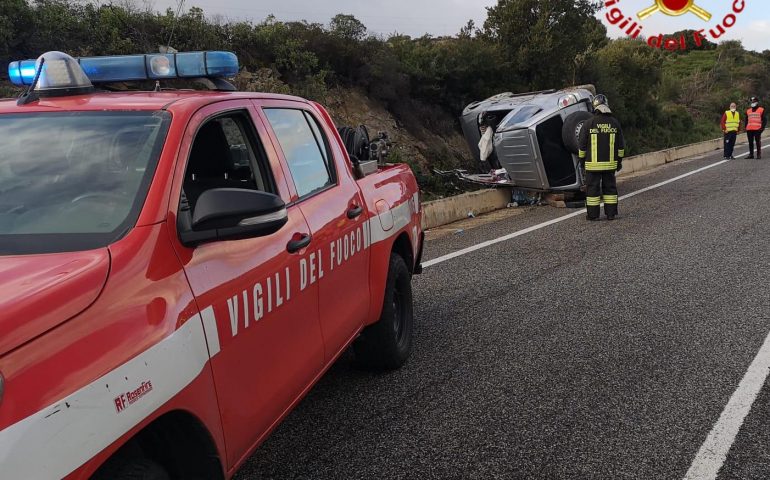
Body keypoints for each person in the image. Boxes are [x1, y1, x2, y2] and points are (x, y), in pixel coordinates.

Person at [578, 94, 626, 221]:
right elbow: (621, 146)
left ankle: (593, 215)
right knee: (610, 189)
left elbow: (581, 146)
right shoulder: (615, 123)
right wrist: (619, 162)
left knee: (592, 191)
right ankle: (611, 214)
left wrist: (582, 161)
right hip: (610, 165)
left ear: (595, 106)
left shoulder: (589, 123)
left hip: (592, 166)